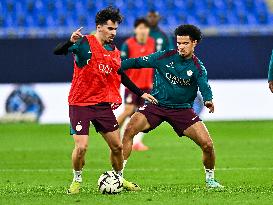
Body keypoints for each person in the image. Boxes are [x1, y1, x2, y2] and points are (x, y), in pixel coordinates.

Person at [53, 6, 157, 194]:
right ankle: (77, 179)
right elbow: (57, 52)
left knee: (117, 147)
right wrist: (69, 42)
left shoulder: (114, 51)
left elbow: (120, 74)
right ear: (99, 27)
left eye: (115, 29)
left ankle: (118, 178)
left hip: (102, 104)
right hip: (80, 103)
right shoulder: (84, 43)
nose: (113, 32)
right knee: (82, 146)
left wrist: (140, 93)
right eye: (110, 28)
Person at [118, 24, 224, 190]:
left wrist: (209, 100)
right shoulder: (163, 57)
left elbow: (204, 86)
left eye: (185, 43)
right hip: (156, 105)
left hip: (182, 110)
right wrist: (115, 66)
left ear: (194, 43)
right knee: (129, 130)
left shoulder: (197, 67)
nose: (181, 46)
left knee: (207, 145)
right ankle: (117, 177)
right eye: (179, 43)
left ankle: (210, 179)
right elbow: (136, 62)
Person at [118, 18, 156, 151]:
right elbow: (120, 65)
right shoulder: (128, 44)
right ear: (135, 30)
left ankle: (136, 142)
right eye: (140, 28)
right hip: (132, 85)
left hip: (147, 86)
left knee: (142, 115)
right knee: (128, 111)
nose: (143, 30)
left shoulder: (152, 43)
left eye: (145, 28)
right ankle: (111, 133)